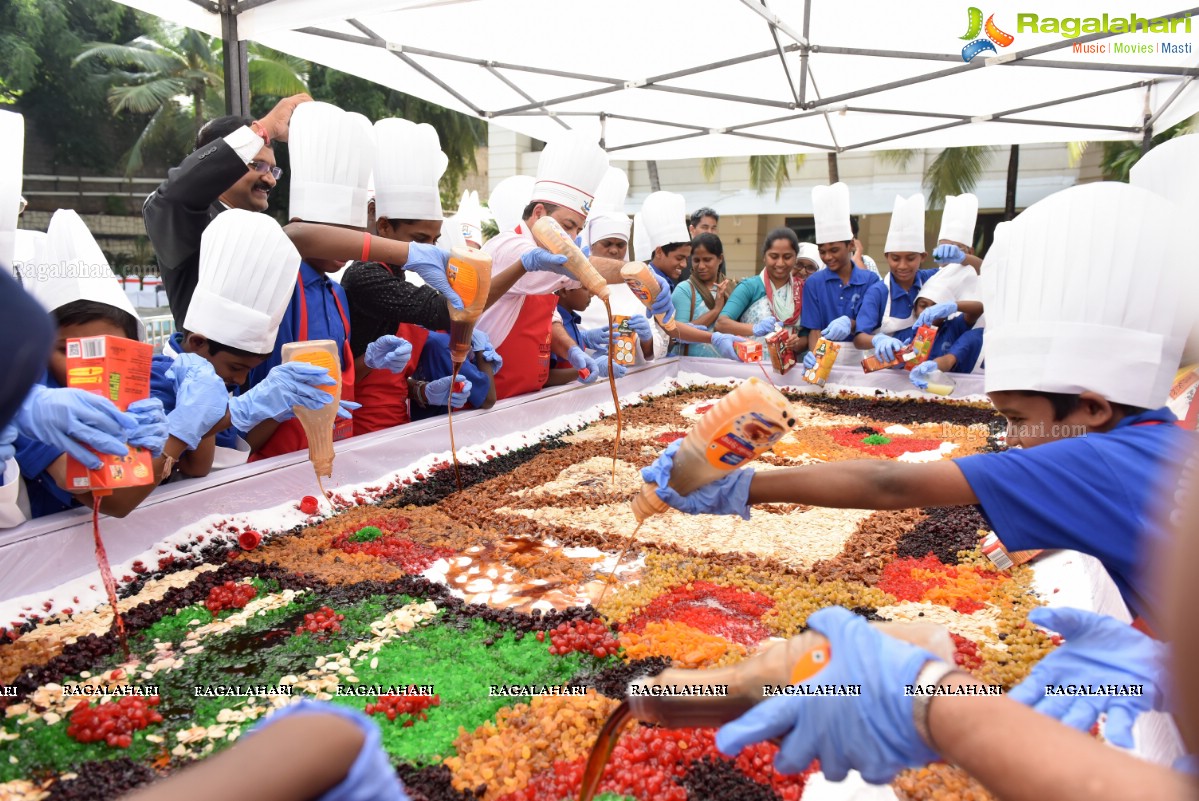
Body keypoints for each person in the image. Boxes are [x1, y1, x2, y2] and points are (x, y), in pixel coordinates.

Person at [643, 182, 1198, 629]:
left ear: (1094, 410)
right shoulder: (1165, 438)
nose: (1009, 438)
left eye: (1018, 421)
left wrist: (741, 485)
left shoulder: (1088, 458)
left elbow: (892, 485)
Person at [150, 210, 343, 475]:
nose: (240, 381)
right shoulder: (157, 382)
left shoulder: (217, 377)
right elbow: (195, 469)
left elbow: (237, 452)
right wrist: (210, 414)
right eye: (237, 367)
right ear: (197, 343)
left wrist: (278, 410)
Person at [14, 210, 172, 519]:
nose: (91, 366)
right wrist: (181, 435)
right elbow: (117, 502)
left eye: (108, 349)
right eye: (68, 350)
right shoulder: (36, 409)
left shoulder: (140, 394)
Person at [242, 102, 373, 460]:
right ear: (302, 224)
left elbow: (340, 375)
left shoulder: (337, 292)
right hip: (281, 457)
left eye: (356, 233)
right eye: (339, 233)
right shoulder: (278, 284)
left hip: (337, 447)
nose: (349, 245)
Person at [142, 94, 312, 329]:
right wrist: (263, 129)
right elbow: (175, 197)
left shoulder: (263, 230)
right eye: (257, 165)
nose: (270, 180)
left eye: (274, 170)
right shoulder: (186, 216)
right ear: (220, 164)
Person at [474, 132, 620, 400]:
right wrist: (628, 272)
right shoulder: (509, 247)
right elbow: (577, 267)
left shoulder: (543, 255)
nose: (573, 237)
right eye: (567, 226)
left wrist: (572, 349)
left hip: (529, 394)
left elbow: (549, 320)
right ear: (539, 213)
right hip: (492, 393)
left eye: (578, 229)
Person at [634, 191, 746, 362]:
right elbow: (667, 334)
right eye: (680, 258)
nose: (685, 265)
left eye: (686, 259)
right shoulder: (645, 285)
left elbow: (671, 328)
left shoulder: (666, 283)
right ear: (659, 252)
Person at [852, 194, 940, 363]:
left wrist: (962, 258)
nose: (902, 266)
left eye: (910, 258)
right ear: (886, 256)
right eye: (895, 258)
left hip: (922, 370)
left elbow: (971, 272)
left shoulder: (932, 279)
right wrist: (878, 340)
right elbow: (859, 338)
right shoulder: (878, 292)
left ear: (923, 256)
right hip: (885, 375)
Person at [801, 183, 881, 368]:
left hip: (861, 358)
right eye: (822, 251)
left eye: (834, 250)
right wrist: (815, 361)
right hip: (824, 355)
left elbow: (871, 322)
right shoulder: (814, 283)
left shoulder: (870, 281)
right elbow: (815, 330)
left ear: (851, 245)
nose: (828, 257)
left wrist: (851, 323)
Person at [716, 231, 819, 366]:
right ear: (764, 257)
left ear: (795, 259)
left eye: (787, 257)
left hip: (788, 371)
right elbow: (722, 324)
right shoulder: (750, 287)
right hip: (751, 367)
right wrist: (755, 328)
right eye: (774, 256)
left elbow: (806, 336)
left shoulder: (802, 291)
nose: (780, 263)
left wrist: (795, 343)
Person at [915, 193, 985, 326]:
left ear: (970, 251)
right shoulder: (933, 276)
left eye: (956, 248)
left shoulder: (974, 273)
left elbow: (985, 268)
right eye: (943, 248)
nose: (948, 254)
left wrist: (963, 258)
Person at [907, 282, 985, 389]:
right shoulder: (909, 333)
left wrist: (954, 306)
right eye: (923, 306)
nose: (929, 311)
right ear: (915, 310)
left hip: (950, 388)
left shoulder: (954, 327)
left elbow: (979, 308)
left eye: (936, 306)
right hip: (913, 387)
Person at [671, 233, 732, 357]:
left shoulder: (731, 288)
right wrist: (716, 310)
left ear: (720, 258)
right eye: (696, 260)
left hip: (727, 367)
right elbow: (678, 334)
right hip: (690, 368)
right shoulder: (685, 290)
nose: (701, 266)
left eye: (707, 260)